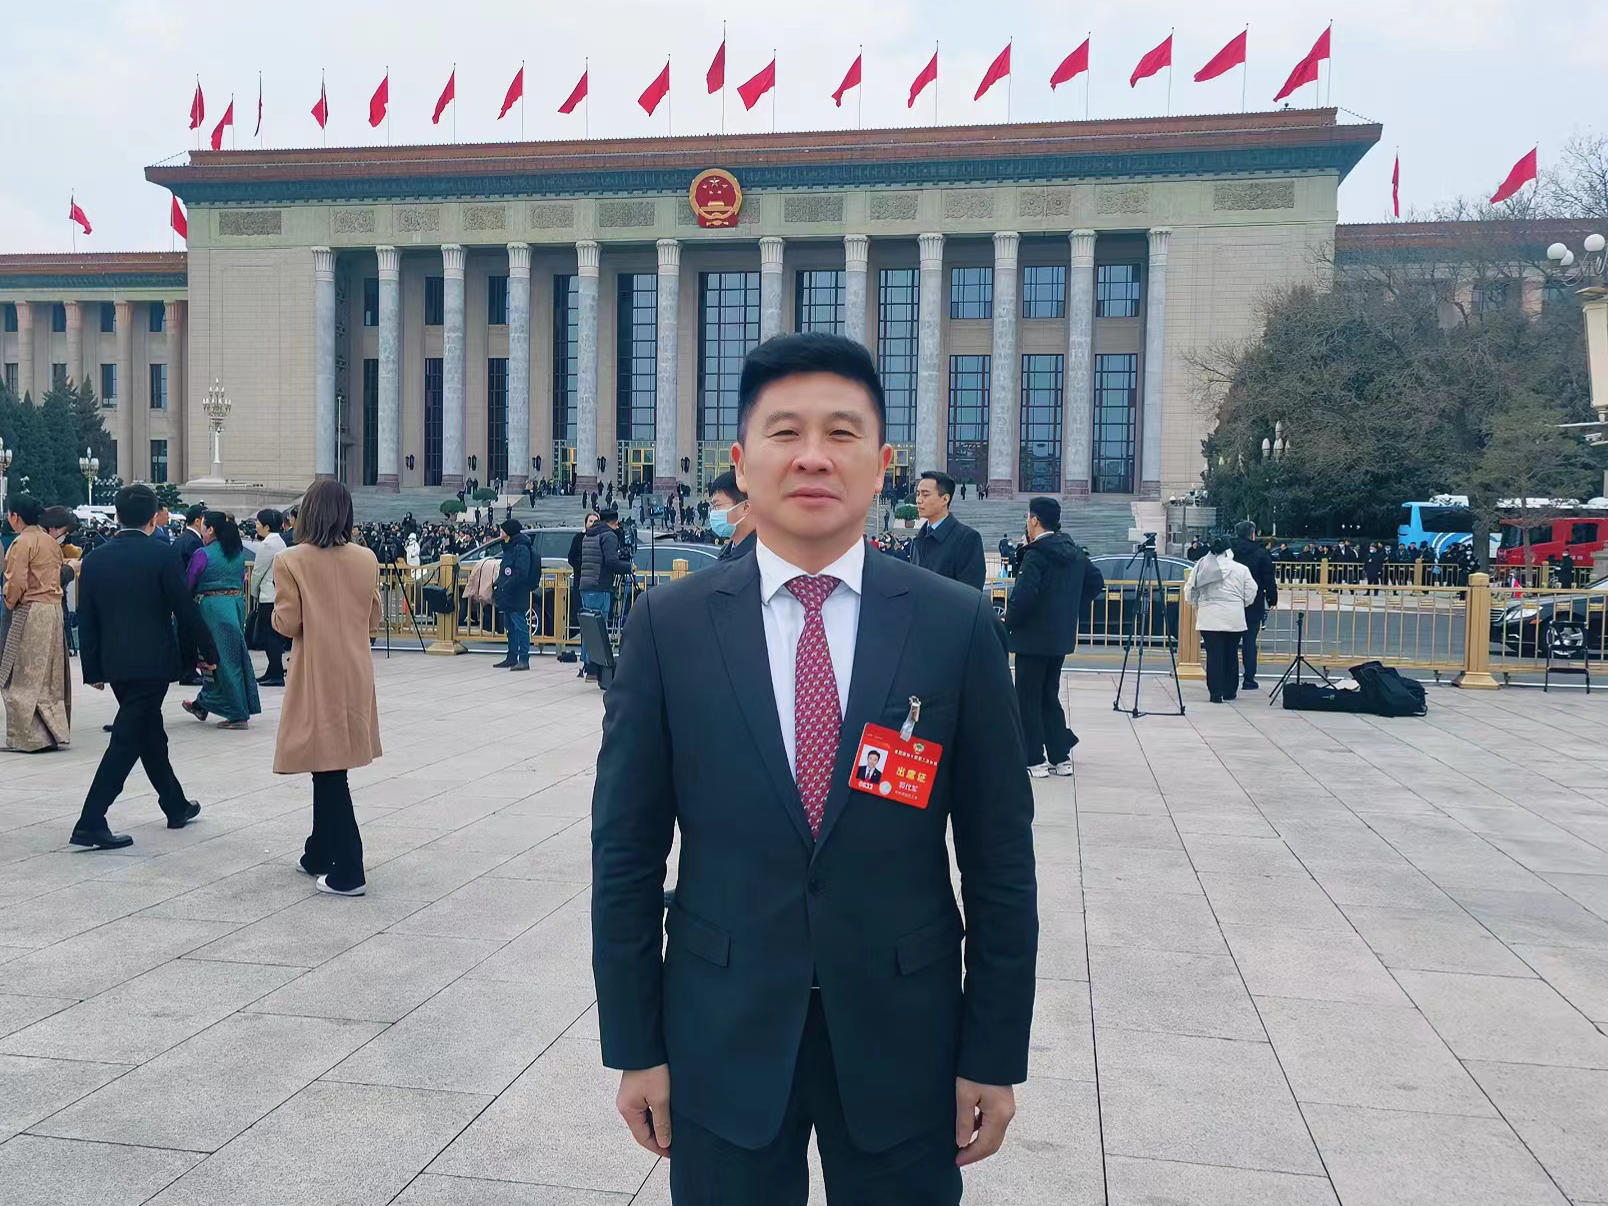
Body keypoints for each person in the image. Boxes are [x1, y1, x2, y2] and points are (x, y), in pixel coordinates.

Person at [593, 332, 1038, 1204]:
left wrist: (992, 1053)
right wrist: (634, 1045)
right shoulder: (669, 629)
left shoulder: (953, 626)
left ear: (882, 465)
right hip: (719, 1034)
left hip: (906, 1040)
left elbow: (1000, 863)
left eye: (841, 433)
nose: (812, 456)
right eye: (785, 432)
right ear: (740, 463)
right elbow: (626, 856)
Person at [71, 483, 217, 849]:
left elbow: (87, 618)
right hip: (153, 662)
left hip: (115, 663)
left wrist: (93, 669)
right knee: (126, 739)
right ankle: (91, 820)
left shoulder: (95, 559)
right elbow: (185, 609)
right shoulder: (162, 555)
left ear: (118, 516)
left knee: (149, 732)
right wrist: (208, 651)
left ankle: (175, 804)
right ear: (154, 518)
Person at [270, 479, 383, 897]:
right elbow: (373, 619)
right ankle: (318, 851)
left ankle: (349, 869)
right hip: (354, 668)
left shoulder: (290, 560)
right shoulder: (366, 558)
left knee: (330, 769)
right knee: (330, 762)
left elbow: (288, 623)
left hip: (317, 668)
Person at [1003, 497, 1104, 778]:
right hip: (1059, 637)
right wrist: (1069, 609)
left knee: (1027, 698)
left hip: (1032, 639)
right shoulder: (1073, 551)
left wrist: (1007, 623)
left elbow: (1024, 596)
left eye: (1028, 517)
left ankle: (1034, 759)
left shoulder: (1036, 554)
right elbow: (1096, 582)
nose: (1027, 522)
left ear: (1035, 520)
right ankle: (1060, 757)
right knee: (1049, 695)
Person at [180, 512, 261, 731]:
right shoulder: (237, 554)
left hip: (212, 609)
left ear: (211, 530)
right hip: (235, 605)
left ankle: (237, 713)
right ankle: (203, 703)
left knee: (219, 659)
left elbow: (189, 582)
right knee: (231, 657)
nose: (202, 532)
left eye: (204, 528)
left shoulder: (202, 554)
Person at [2, 496, 71, 752]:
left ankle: (28, 736)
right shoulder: (49, 541)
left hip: (30, 611)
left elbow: (16, 582)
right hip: (53, 610)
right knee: (49, 677)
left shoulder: (22, 542)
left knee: (23, 675)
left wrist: (9, 602)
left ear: (15, 516)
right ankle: (53, 731)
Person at [1184, 535, 1260, 704]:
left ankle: (1215, 693)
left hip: (1209, 617)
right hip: (1234, 616)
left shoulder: (1201, 567)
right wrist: (1241, 604)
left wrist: (1197, 604)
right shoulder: (1240, 569)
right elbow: (1251, 590)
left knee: (1213, 655)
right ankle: (1230, 691)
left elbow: (1189, 591)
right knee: (1231, 653)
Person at [909, 470, 986, 591]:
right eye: (918, 494)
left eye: (925, 495)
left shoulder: (967, 539)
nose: (918, 500)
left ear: (945, 499)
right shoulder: (918, 540)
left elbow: (971, 594)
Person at [578, 505, 630, 682]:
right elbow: (611, 562)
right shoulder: (608, 536)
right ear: (615, 523)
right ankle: (594, 668)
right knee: (598, 629)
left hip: (587, 584)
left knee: (590, 627)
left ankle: (589, 667)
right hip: (599, 585)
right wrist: (628, 567)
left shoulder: (590, 534)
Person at [1229, 521, 1278, 691]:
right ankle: (1249, 679)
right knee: (1249, 642)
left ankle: (1230, 678)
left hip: (1232, 600)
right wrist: (1272, 599)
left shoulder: (1229, 551)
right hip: (1254, 600)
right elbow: (1268, 577)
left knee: (1231, 643)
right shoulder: (1260, 552)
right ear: (1252, 534)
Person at [491, 518, 536, 671]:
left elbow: (520, 572)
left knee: (520, 626)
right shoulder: (509, 546)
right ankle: (511, 657)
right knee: (510, 627)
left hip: (517, 593)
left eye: (502, 529)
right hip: (507, 593)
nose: (500, 532)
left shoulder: (521, 548)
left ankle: (523, 658)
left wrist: (507, 585)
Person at [251, 509, 289, 686]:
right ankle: (272, 670)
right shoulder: (279, 541)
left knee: (269, 635)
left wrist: (253, 591)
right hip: (276, 594)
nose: (256, 526)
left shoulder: (267, 544)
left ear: (267, 526)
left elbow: (258, 571)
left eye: (258, 523)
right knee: (272, 635)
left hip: (268, 596)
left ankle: (276, 673)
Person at [173, 505, 208, 685]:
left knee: (183, 633)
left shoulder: (181, 539)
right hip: (189, 594)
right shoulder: (194, 542)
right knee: (189, 635)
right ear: (197, 520)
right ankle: (188, 672)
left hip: (179, 592)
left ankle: (184, 670)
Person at [707, 469, 757, 562]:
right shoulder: (726, 551)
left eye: (717, 506)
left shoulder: (761, 556)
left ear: (745, 507)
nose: (713, 513)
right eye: (713, 507)